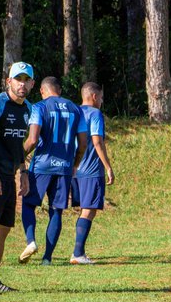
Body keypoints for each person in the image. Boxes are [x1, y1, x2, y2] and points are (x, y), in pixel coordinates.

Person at [21, 77, 88, 265]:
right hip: (65, 167)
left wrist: (18, 155)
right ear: (59, 90)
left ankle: (31, 241)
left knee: (28, 204)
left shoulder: (39, 107)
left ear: (43, 91)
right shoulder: (76, 109)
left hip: (42, 165)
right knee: (56, 211)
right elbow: (83, 143)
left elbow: (33, 139)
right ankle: (47, 258)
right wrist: (75, 164)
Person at [0, 62, 35, 293]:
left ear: (32, 84)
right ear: (9, 81)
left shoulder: (27, 108)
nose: (22, 84)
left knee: (3, 228)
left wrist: (23, 172)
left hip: (9, 176)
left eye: (26, 80)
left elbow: (18, 144)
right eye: (18, 79)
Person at [69, 82, 115, 264]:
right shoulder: (95, 114)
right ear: (95, 96)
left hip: (75, 170)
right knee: (89, 210)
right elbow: (97, 142)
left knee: (84, 210)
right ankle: (78, 254)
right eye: (101, 97)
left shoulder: (74, 112)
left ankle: (78, 252)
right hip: (91, 169)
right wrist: (108, 166)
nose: (102, 101)